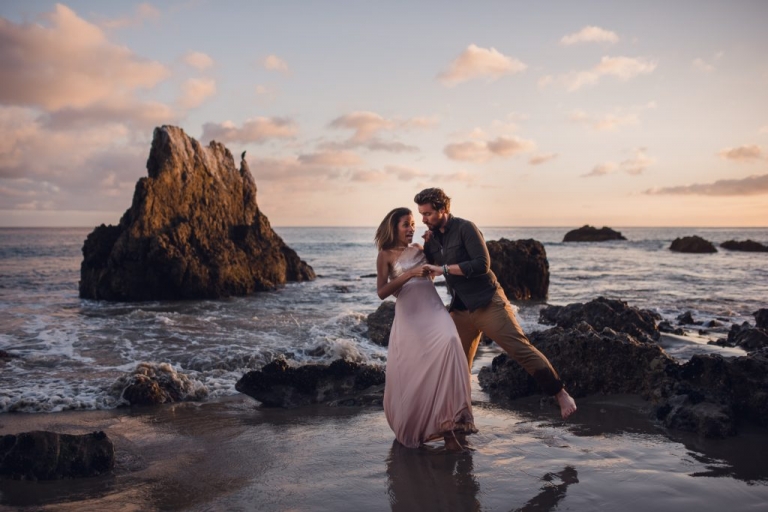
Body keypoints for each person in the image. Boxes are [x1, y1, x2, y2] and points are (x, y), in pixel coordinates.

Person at [414, 188, 577, 419]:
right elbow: (431, 270)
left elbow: (482, 264)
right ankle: (461, 416)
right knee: (457, 365)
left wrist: (444, 269)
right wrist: (426, 253)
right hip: (461, 309)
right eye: (421, 214)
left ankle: (560, 394)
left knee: (520, 349)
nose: (424, 219)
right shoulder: (431, 239)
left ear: (443, 209)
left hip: (488, 302)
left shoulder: (465, 228)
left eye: (428, 213)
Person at [375, 207, 477, 450]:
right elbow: (382, 292)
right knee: (418, 369)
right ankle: (437, 428)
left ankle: (453, 423)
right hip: (410, 314)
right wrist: (409, 274)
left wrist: (434, 245)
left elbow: (436, 269)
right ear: (394, 228)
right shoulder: (385, 254)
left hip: (432, 307)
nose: (412, 228)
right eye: (406, 224)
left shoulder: (420, 249)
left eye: (412, 224)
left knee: (451, 343)